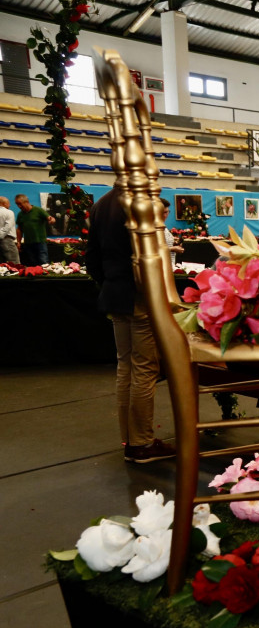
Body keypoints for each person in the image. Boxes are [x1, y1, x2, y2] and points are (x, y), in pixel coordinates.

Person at [84, 188, 174, 463]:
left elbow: (92, 258)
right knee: (145, 369)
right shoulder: (141, 202)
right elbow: (152, 257)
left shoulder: (101, 203)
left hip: (114, 293)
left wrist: (110, 282)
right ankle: (142, 443)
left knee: (125, 365)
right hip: (140, 295)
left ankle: (130, 438)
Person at [15, 194, 55, 266]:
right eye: (17, 204)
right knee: (32, 264)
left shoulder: (38, 210)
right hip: (28, 244)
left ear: (26, 202)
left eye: (20, 204)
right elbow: (19, 229)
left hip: (40, 242)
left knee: (44, 263)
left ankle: (45, 277)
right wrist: (18, 242)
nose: (19, 206)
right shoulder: (20, 215)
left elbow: (50, 218)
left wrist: (52, 220)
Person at [0, 197, 18, 264]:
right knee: (14, 263)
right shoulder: (9, 212)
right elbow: (8, 226)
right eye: (8, 203)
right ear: (4, 203)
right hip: (6, 240)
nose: (10, 205)